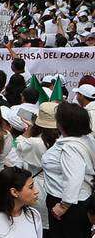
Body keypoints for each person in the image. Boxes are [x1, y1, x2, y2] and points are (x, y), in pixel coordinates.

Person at [39, 102, 94, 238]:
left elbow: (73, 178)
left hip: (68, 204)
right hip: (78, 200)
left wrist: (63, 206)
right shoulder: (86, 139)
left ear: (62, 124)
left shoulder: (70, 148)